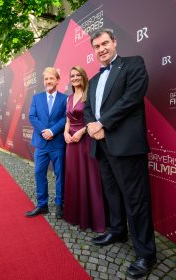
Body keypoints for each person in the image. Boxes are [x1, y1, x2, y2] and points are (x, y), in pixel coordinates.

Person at [83, 28, 156, 279]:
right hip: (101, 146)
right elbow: (88, 108)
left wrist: (103, 124)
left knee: (136, 200)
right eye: (97, 46)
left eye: (105, 43)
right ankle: (117, 230)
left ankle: (146, 254)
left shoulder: (133, 63)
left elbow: (132, 98)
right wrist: (93, 127)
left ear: (114, 42)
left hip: (126, 146)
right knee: (112, 194)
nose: (101, 49)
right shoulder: (92, 80)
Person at [63, 66, 106, 232]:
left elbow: (95, 119)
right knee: (74, 176)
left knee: (89, 177)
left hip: (86, 139)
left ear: (83, 77)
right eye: (72, 75)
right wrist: (66, 132)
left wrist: (81, 132)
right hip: (71, 143)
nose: (74, 78)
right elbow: (67, 120)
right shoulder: (69, 98)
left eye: (77, 75)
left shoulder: (90, 95)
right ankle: (75, 215)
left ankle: (93, 219)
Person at [26, 67, 66, 219]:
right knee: (38, 173)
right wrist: (45, 131)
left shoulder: (65, 99)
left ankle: (59, 205)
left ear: (57, 80)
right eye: (46, 79)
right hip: (41, 144)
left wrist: (53, 131)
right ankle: (42, 205)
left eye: (51, 78)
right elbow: (32, 116)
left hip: (57, 143)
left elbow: (65, 118)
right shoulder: (36, 98)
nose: (48, 81)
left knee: (60, 175)